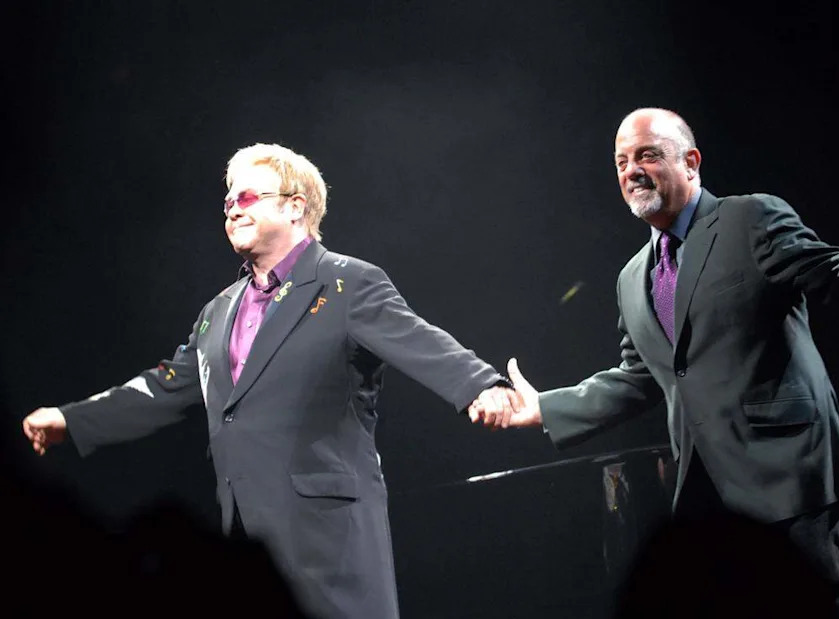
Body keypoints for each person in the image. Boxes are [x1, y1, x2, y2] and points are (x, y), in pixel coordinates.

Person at [22, 142, 518, 619]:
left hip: (326, 537)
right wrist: (72, 419)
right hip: (244, 542)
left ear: (296, 207)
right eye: (227, 201)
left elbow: (419, 340)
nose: (232, 210)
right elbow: (167, 385)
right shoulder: (218, 310)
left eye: (247, 197)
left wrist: (480, 385)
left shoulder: (345, 282)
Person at [469, 107, 839, 584]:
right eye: (621, 162)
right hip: (709, 500)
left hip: (793, 481)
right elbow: (639, 376)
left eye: (647, 156)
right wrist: (545, 408)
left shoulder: (748, 218)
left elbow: (826, 266)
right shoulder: (632, 277)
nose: (631, 171)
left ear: (691, 162)